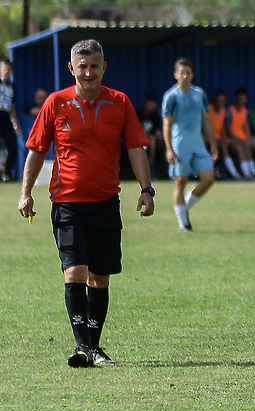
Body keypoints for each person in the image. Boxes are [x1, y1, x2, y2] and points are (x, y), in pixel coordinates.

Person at [17, 39, 155, 368]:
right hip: (67, 204)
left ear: (104, 67)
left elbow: (136, 148)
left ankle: (93, 347)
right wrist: (26, 192)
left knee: (100, 278)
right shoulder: (56, 103)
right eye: (82, 66)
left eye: (94, 66)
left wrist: (147, 189)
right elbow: (36, 149)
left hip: (107, 202)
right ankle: (81, 346)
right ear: (71, 69)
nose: (88, 72)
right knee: (75, 271)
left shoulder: (120, 103)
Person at [162, 58, 218, 232]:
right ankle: (183, 224)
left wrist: (213, 143)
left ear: (192, 74)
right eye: (182, 73)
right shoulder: (171, 96)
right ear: (175, 74)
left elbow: (207, 120)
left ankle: (183, 207)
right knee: (181, 182)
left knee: (209, 179)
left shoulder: (199, 94)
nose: (185, 76)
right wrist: (169, 149)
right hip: (180, 146)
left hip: (198, 145)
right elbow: (167, 124)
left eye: (188, 72)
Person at [227, 87, 255, 180]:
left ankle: (253, 172)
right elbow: (229, 130)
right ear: (236, 98)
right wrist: (239, 139)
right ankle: (246, 173)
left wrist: (249, 140)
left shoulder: (245, 111)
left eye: (244, 98)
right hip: (233, 139)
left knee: (247, 146)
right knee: (240, 147)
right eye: (240, 98)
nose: (242, 101)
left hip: (242, 139)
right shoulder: (229, 111)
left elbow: (246, 128)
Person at [0, 58, 20, 182]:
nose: (6, 70)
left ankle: (7, 174)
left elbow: (12, 105)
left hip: (6, 118)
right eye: (3, 67)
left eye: (8, 68)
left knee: (13, 146)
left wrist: (15, 122)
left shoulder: (12, 86)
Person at [137, 94, 164, 178]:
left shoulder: (155, 116)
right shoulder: (138, 114)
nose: (150, 108)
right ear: (145, 104)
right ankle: (148, 169)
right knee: (151, 141)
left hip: (150, 138)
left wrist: (159, 134)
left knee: (158, 140)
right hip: (138, 138)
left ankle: (158, 169)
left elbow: (157, 131)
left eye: (153, 105)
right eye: (149, 105)